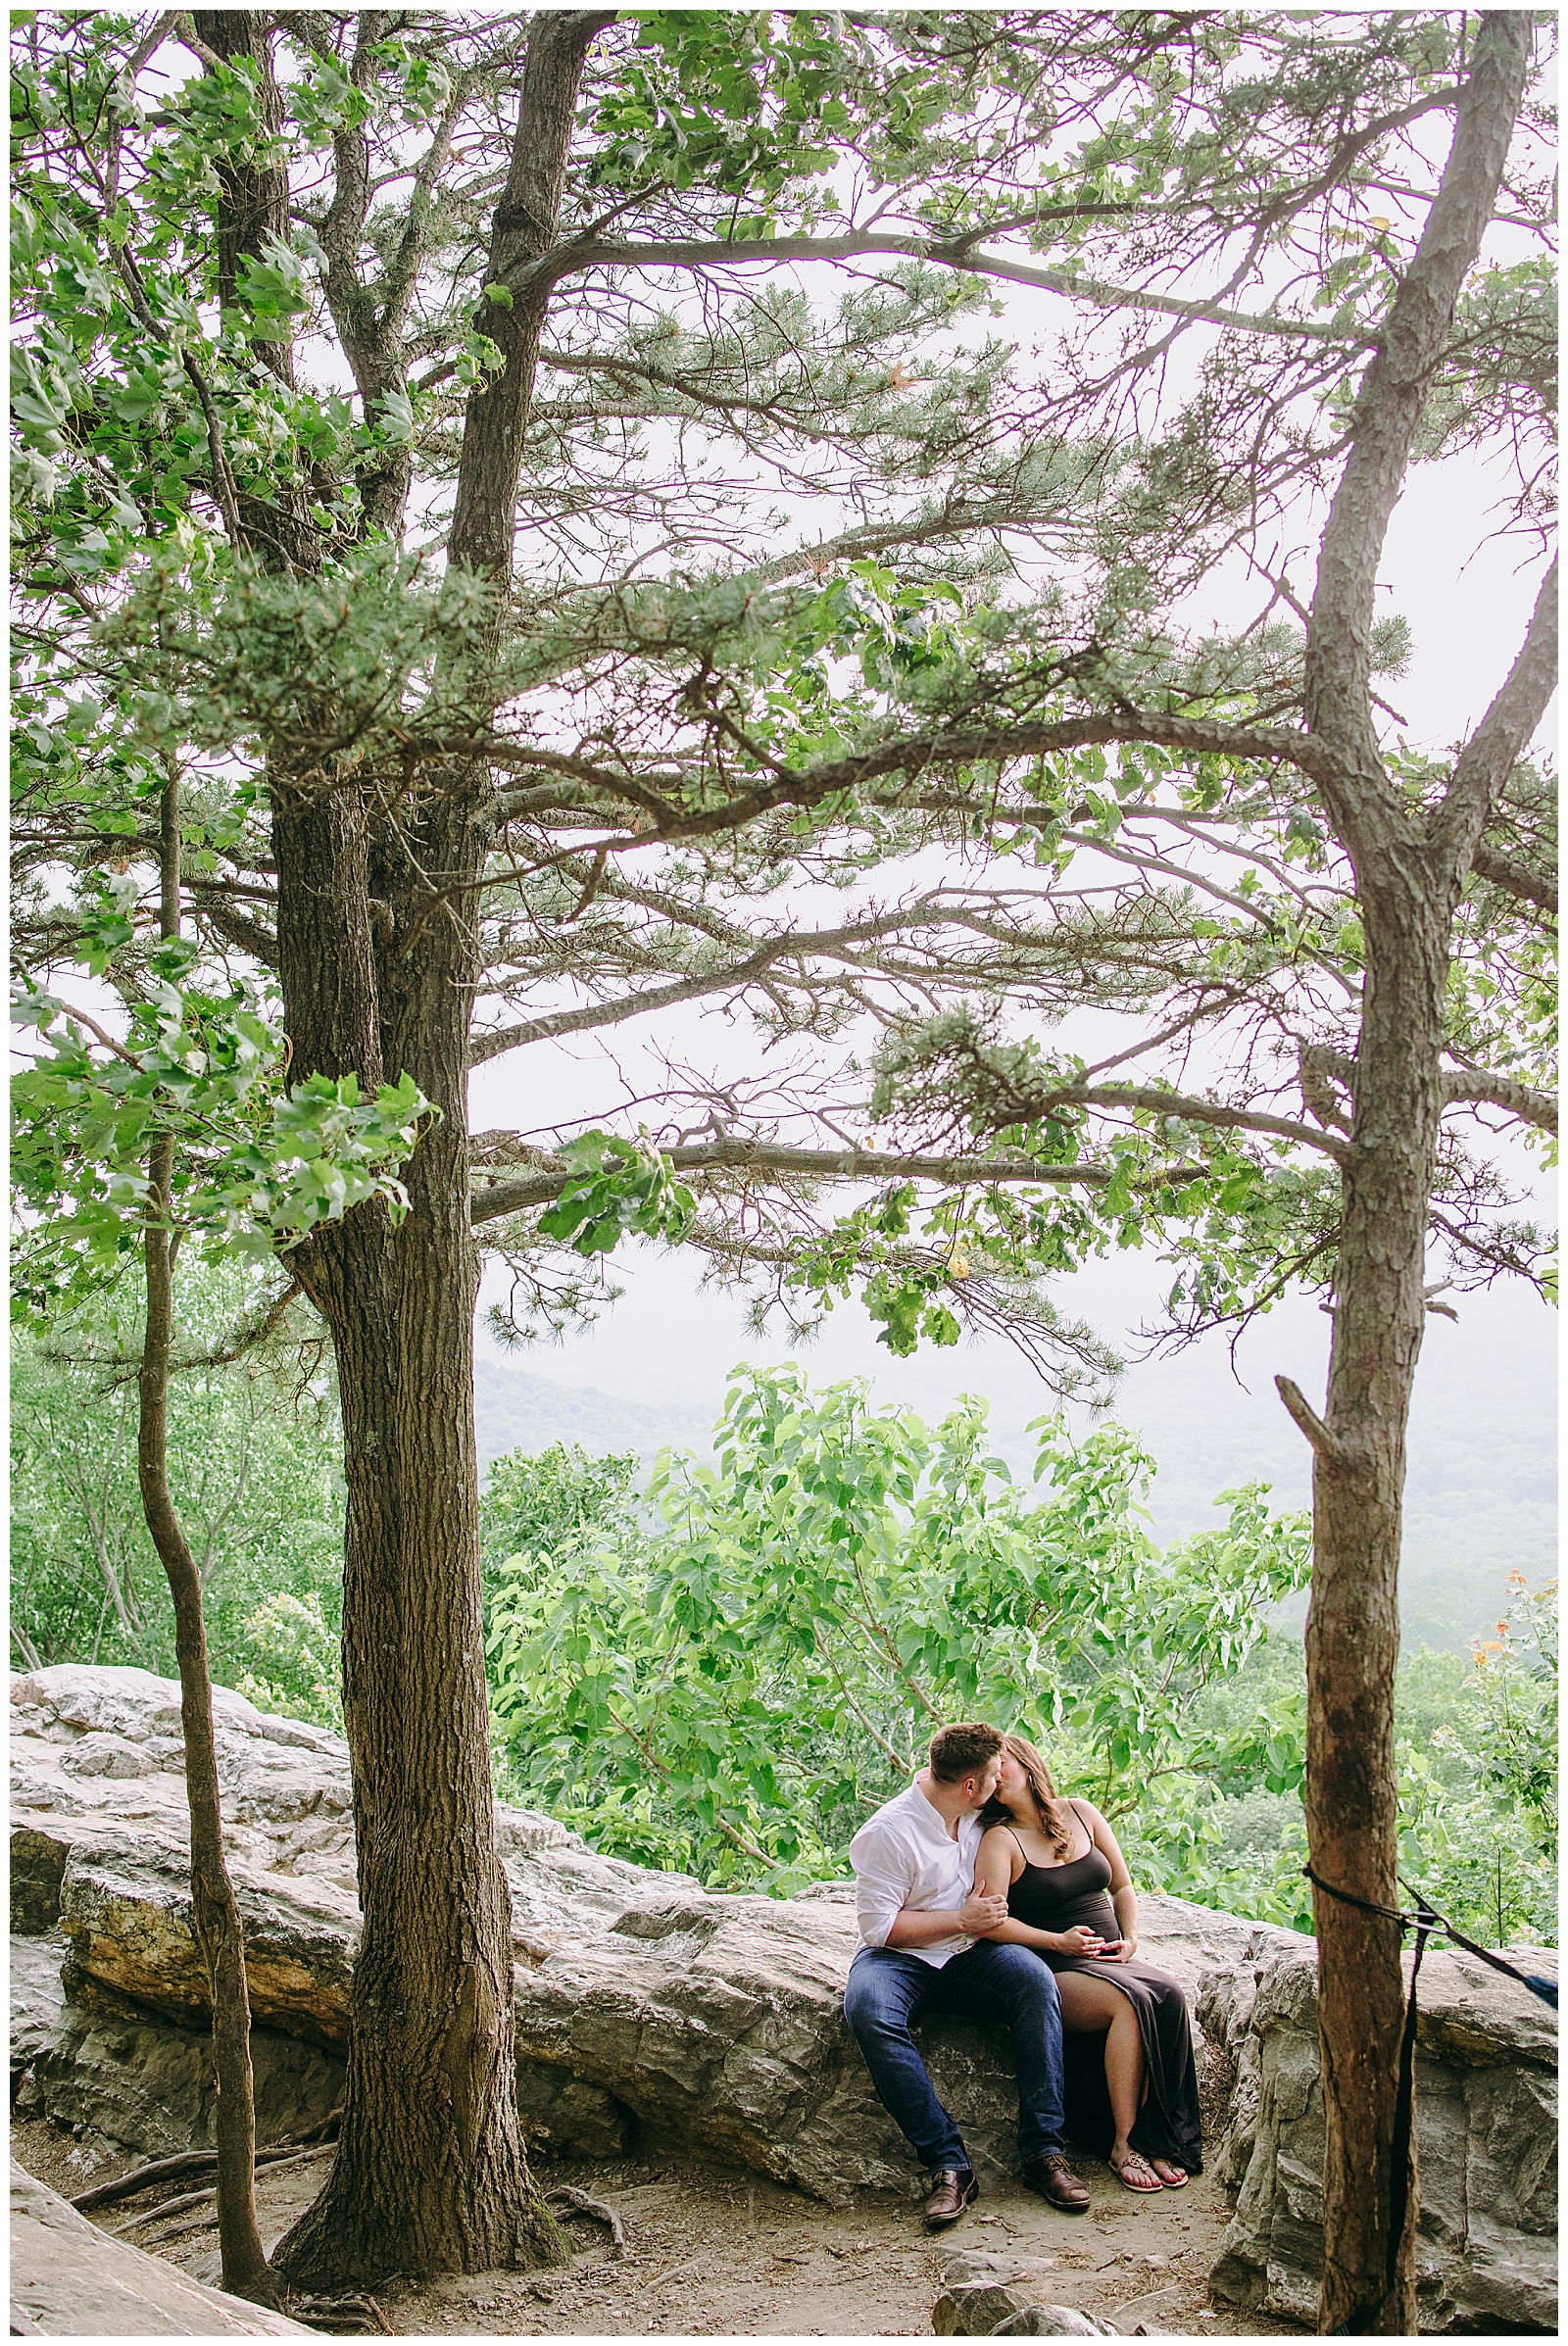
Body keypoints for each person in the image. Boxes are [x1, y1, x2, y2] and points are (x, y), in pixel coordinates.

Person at [843, 1721, 1091, 2227]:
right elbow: (878, 1928)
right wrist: (960, 1919)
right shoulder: (888, 1833)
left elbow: (1045, 1828)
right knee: (867, 2009)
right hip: (901, 1959)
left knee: (1036, 1983)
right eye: (997, 1773)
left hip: (974, 1952)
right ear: (970, 1785)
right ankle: (949, 2164)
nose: (1003, 1780)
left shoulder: (981, 1816)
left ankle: (1044, 2153)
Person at [973, 1734, 1202, 2191]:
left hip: (1113, 1959)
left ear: (1028, 1762)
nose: (996, 1778)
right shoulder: (1000, 1840)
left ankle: (1159, 2138)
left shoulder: (1081, 1811)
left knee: (1170, 1994)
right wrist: (1058, 1942)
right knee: (1129, 2003)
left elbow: (1122, 1887)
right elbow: (989, 1924)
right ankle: (1123, 2143)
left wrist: (1133, 1938)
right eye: (989, 1774)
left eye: (1003, 1766)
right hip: (1052, 1968)